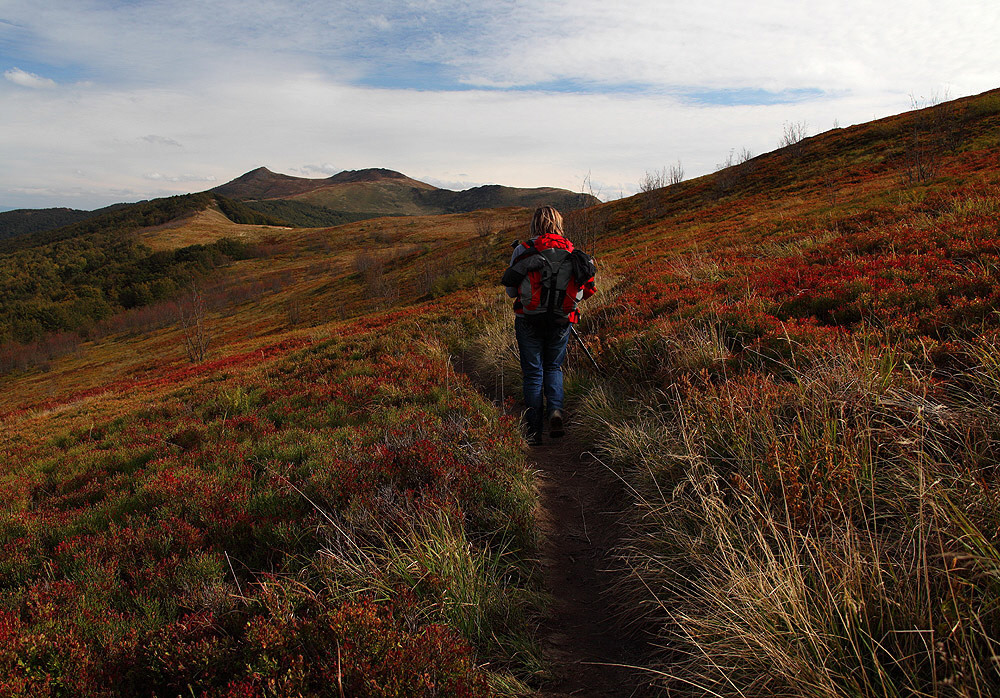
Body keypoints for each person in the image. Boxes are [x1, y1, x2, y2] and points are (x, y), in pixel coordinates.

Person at [502, 206, 596, 445]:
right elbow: (584, 293)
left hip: (528, 319)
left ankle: (533, 432)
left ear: (534, 224)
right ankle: (555, 411)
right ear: (558, 223)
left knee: (533, 373)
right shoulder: (573, 251)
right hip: (561, 320)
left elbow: (511, 290)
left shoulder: (523, 250)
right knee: (553, 368)